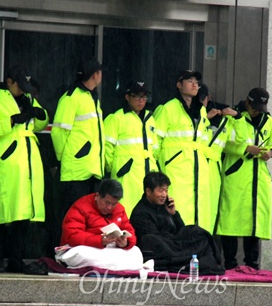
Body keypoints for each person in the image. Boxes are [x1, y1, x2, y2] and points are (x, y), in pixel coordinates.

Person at [0, 64, 48, 273]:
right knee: (2, 209)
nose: (23, 90)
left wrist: (40, 114)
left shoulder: (28, 97)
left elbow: (39, 124)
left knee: (23, 213)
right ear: (9, 81)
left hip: (28, 159)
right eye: (19, 85)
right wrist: (11, 120)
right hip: (8, 159)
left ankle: (16, 258)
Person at [217, 87, 272, 270]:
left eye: (259, 107)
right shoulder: (234, 118)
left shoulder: (267, 120)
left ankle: (251, 263)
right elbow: (224, 144)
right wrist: (246, 148)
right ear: (247, 102)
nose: (256, 111)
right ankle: (230, 262)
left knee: (254, 221)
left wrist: (271, 152)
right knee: (231, 219)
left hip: (259, 177)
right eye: (254, 106)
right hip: (237, 175)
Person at [51, 58, 105, 254]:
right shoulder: (71, 97)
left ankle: (81, 254)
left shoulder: (92, 98)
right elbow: (58, 132)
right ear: (95, 75)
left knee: (88, 219)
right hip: (75, 170)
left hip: (91, 170)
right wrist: (63, 159)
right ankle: (64, 254)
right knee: (72, 218)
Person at [130, 171, 225, 274]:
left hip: (174, 245)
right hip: (162, 248)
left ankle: (189, 259)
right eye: (161, 191)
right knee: (153, 240)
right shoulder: (140, 212)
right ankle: (187, 260)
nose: (164, 195)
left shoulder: (165, 207)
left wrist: (173, 214)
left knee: (197, 232)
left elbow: (181, 229)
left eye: (166, 191)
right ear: (148, 191)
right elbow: (153, 238)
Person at [153, 70, 211, 232]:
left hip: (198, 171)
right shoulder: (167, 109)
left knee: (198, 212)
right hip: (175, 171)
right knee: (178, 211)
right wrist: (162, 167)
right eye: (189, 81)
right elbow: (154, 142)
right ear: (179, 85)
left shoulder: (200, 111)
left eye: (197, 82)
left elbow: (203, 140)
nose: (195, 85)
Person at [104, 81, 158, 214]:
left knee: (146, 211)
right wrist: (115, 168)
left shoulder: (150, 119)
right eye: (137, 97)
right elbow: (107, 147)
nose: (141, 101)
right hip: (126, 174)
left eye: (144, 97)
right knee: (126, 209)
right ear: (127, 97)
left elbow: (155, 148)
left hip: (147, 173)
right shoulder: (117, 118)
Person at [196, 82, 241, 233]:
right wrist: (205, 119)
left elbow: (240, 139)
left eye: (202, 98)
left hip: (213, 168)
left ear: (208, 98)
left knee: (210, 208)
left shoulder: (226, 120)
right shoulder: (193, 116)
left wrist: (237, 116)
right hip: (195, 163)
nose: (200, 102)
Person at [60, 179, 136, 250]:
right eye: (107, 202)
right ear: (97, 196)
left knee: (135, 251)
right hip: (85, 248)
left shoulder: (119, 209)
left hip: (109, 248)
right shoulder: (81, 207)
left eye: (114, 204)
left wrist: (126, 243)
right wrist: (100, 240)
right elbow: (72, 236)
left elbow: (130, 231)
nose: (109, 207)